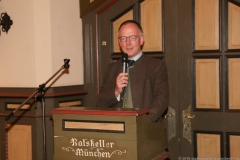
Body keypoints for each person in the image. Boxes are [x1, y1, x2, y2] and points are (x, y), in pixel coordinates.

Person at [97, 20, 169, 122]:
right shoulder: (112, 68)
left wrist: (142, 124)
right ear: (119, 42)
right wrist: (116, 91)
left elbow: (161, 100)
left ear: (141, 40)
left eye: (132, 38)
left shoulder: (156, 66)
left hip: (147, 129)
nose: (128, 43)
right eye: (123, 38)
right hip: (118, 130)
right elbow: (100, 102)